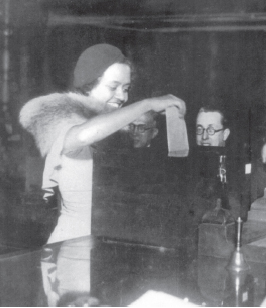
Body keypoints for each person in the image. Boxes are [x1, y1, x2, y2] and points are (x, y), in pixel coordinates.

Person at [19, 43, 186, 244]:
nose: (122, 96)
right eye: (113, 87)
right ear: (89, 85)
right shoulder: (65, 122)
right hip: (71, 247)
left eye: (126, 88)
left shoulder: (112, 129)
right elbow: (83, 135)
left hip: (105, 244)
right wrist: (147, 103)